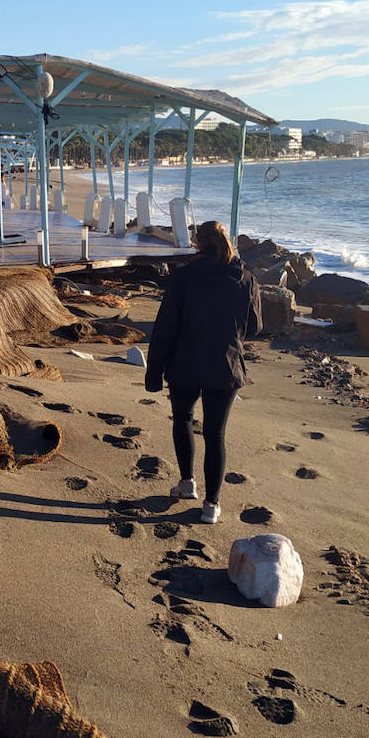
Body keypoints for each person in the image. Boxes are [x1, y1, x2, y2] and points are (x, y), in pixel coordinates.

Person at [144, 220, 262, 523]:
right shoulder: (245, 277)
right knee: (215, 433)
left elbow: (165, 329)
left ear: (198, 243)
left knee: (183, 419)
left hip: (184, 363)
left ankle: (186, 483)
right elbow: (256, 326)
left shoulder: (184, 277)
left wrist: (154, 372)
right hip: (226, 365)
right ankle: (212, 504)